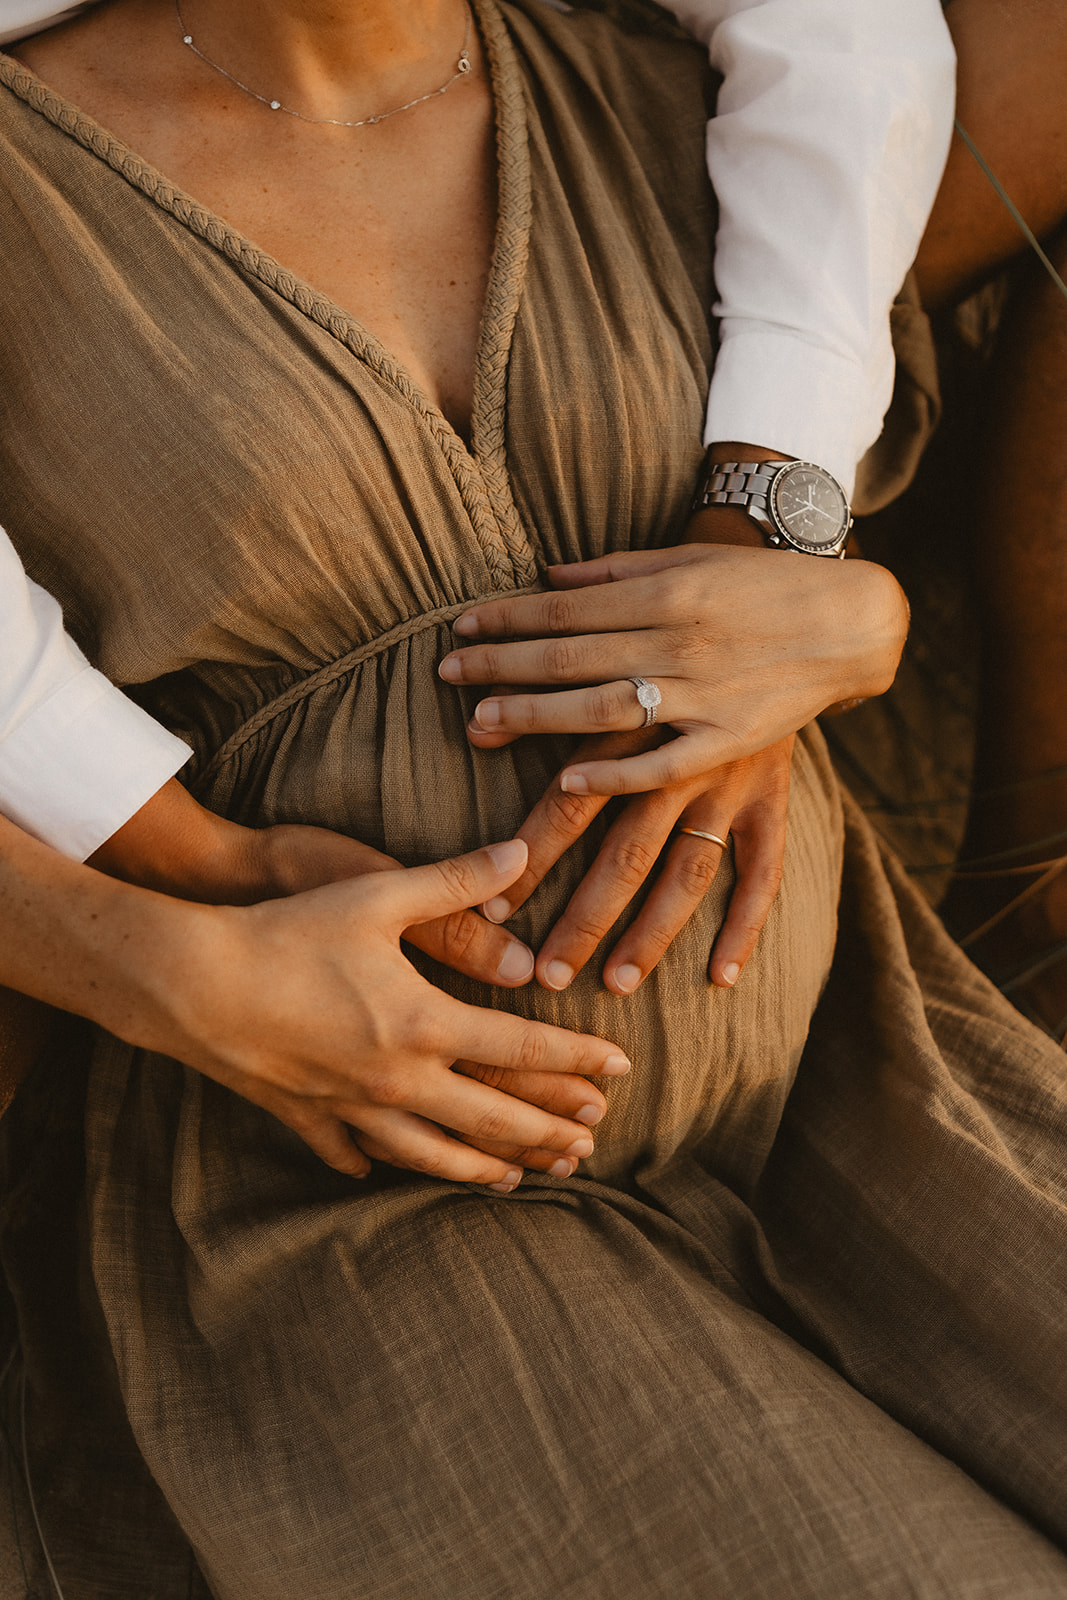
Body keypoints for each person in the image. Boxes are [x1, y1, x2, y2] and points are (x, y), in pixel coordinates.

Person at [2, 2, 1067, 1597]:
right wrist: (181, 907)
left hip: (847, 1075)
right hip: (343, 1199)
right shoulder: (29, 181)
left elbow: (816, 455)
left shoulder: (659, 95)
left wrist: (830, 600)